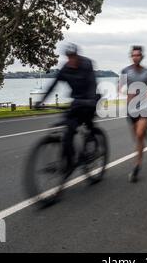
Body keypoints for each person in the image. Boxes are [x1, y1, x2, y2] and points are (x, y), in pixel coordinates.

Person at [35, 43, 99, 175]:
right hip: (76, 102)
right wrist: (41, 100)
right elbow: (53, 85)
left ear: (77, 56)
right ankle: (70, 161)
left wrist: (91, 100)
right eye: (69, 57)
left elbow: (92, 83)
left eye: (73, 57)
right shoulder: (65, 69)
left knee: (88, 122)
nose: (71, 60)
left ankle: (93, 143)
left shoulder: (86, 64)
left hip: (90, 99)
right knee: (68, 129)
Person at [119, 46, 147, 182]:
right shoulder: (125, 71)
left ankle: (137, 165)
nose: (136, 57)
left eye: (138, 55)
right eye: (133, 55)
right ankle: (144, 130)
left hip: (145, 107)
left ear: (141, 57)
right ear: (131, 56)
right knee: (137, 138)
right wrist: (126, 93)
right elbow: (120, 87)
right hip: (131, 108)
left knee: (140, 135)